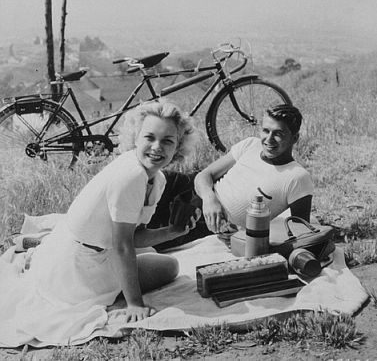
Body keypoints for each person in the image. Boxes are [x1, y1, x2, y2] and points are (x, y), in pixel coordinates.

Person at [0, 100, 200, 346]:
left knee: (166, 263)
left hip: (97, 252)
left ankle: (42, 245)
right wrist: (134, 303)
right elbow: (123, 247)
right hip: (76, 269)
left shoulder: (156, 178)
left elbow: (134, 237)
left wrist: (173, 231)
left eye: (167, 141)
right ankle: (104, 293)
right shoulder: (132, 174)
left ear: (178, 146)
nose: (157, 147)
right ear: (135, 138)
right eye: (149, 137)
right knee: (165, 267)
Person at [194, 104, 314, 234]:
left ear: (294, 138)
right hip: (199, 200)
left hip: (217, 229)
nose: (269, 140)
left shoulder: (297, 177)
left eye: (278, 134)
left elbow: (301, 232)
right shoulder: (250, 145)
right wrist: (209, 200)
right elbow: (204, 175)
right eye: (266, 131)